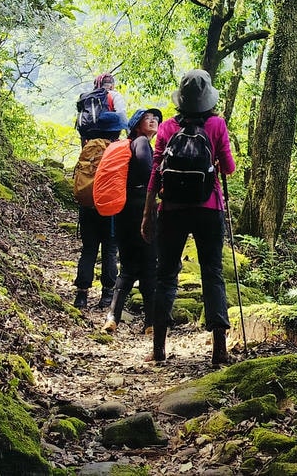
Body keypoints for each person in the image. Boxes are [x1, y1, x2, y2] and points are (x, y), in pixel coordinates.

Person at [142, 68, 236, 365]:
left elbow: (156, 171)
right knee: (213, 273)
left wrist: (147, 213)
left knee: (166, 275)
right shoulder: (218, 125)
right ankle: (219, 349)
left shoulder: (168, 127)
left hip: (171, 210)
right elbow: (229, 168)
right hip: (210, 209)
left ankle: (158, 348)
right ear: (207, 99)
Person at [102, 105, 162, 334]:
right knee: (148, 265)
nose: (154, 120)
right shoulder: (142, 144)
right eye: (148, 118)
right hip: (141, 209)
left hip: (124, 210)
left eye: (155, 118)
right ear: (137, 125)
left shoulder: (128, 145)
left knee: (127, 267)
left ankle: (113, 316)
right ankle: (150, 322)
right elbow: (149, 174)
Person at [73, 71, 126, 310]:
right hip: (110, 207)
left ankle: (82, 294)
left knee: (89, 247)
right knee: (110, 248)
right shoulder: (118, 149)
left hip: (87, 204)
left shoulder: (89, 146)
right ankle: (107, 294)